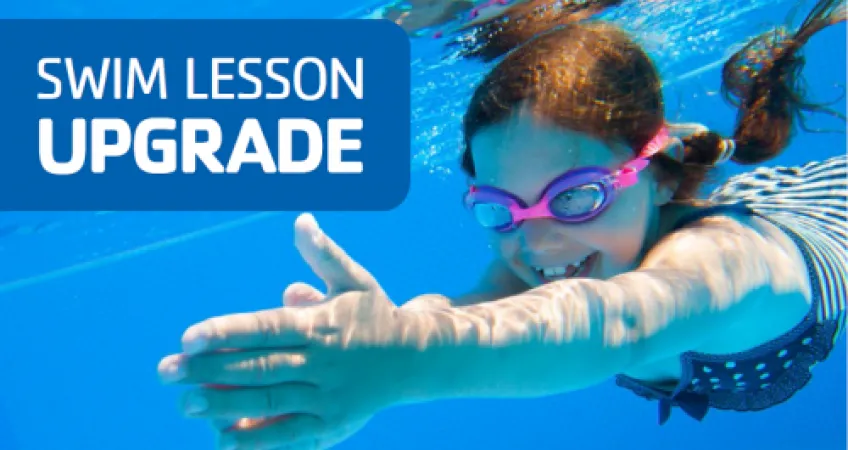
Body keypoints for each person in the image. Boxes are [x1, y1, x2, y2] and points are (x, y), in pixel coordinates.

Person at [157, 0, 847, 448]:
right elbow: (454, 318)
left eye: (576, 199)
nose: (539, 245)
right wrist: (365, 344)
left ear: (658, 174)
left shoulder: (730, 265)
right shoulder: (538, 254)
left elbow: (613, 321)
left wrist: (403, 367)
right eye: (503, 210)